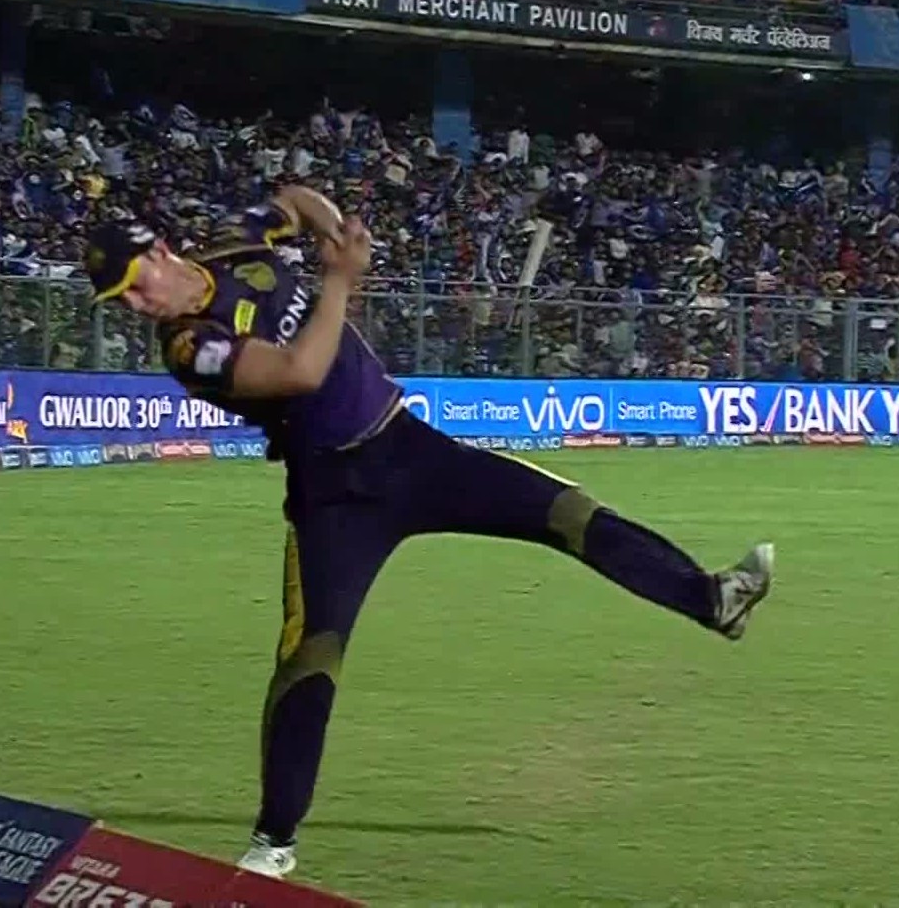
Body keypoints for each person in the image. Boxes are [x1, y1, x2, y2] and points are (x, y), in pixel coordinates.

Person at [83, 186, 775, 879]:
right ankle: (273, 843)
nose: (133, 305)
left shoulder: (235, 240)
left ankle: (710, 598)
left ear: (161, 251)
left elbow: (293, 198)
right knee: (310, 655)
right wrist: (340, 280)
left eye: (133, 285)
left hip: (410, 450)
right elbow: (301, 371)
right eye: (120, 300)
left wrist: (338, 232)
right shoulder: (189, 345)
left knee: (566, 511)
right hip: (332, 496)